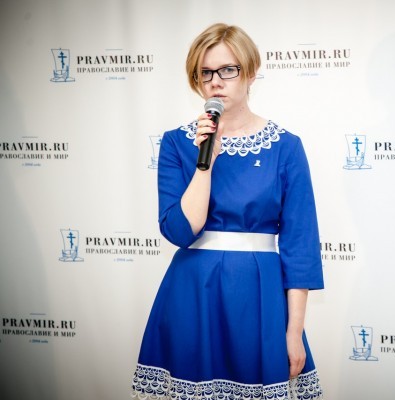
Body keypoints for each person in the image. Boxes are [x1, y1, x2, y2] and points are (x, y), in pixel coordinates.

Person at [131, 23, 324, 399]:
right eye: (205, 73)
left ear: (250, 72)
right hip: (192, 291)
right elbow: (180, 231)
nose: (215, 82)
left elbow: (300, 244)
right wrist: (206, 162)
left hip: (259, 293)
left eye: (227, 70)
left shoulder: (286, 147)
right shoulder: (176, 143)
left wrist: (294, 331)